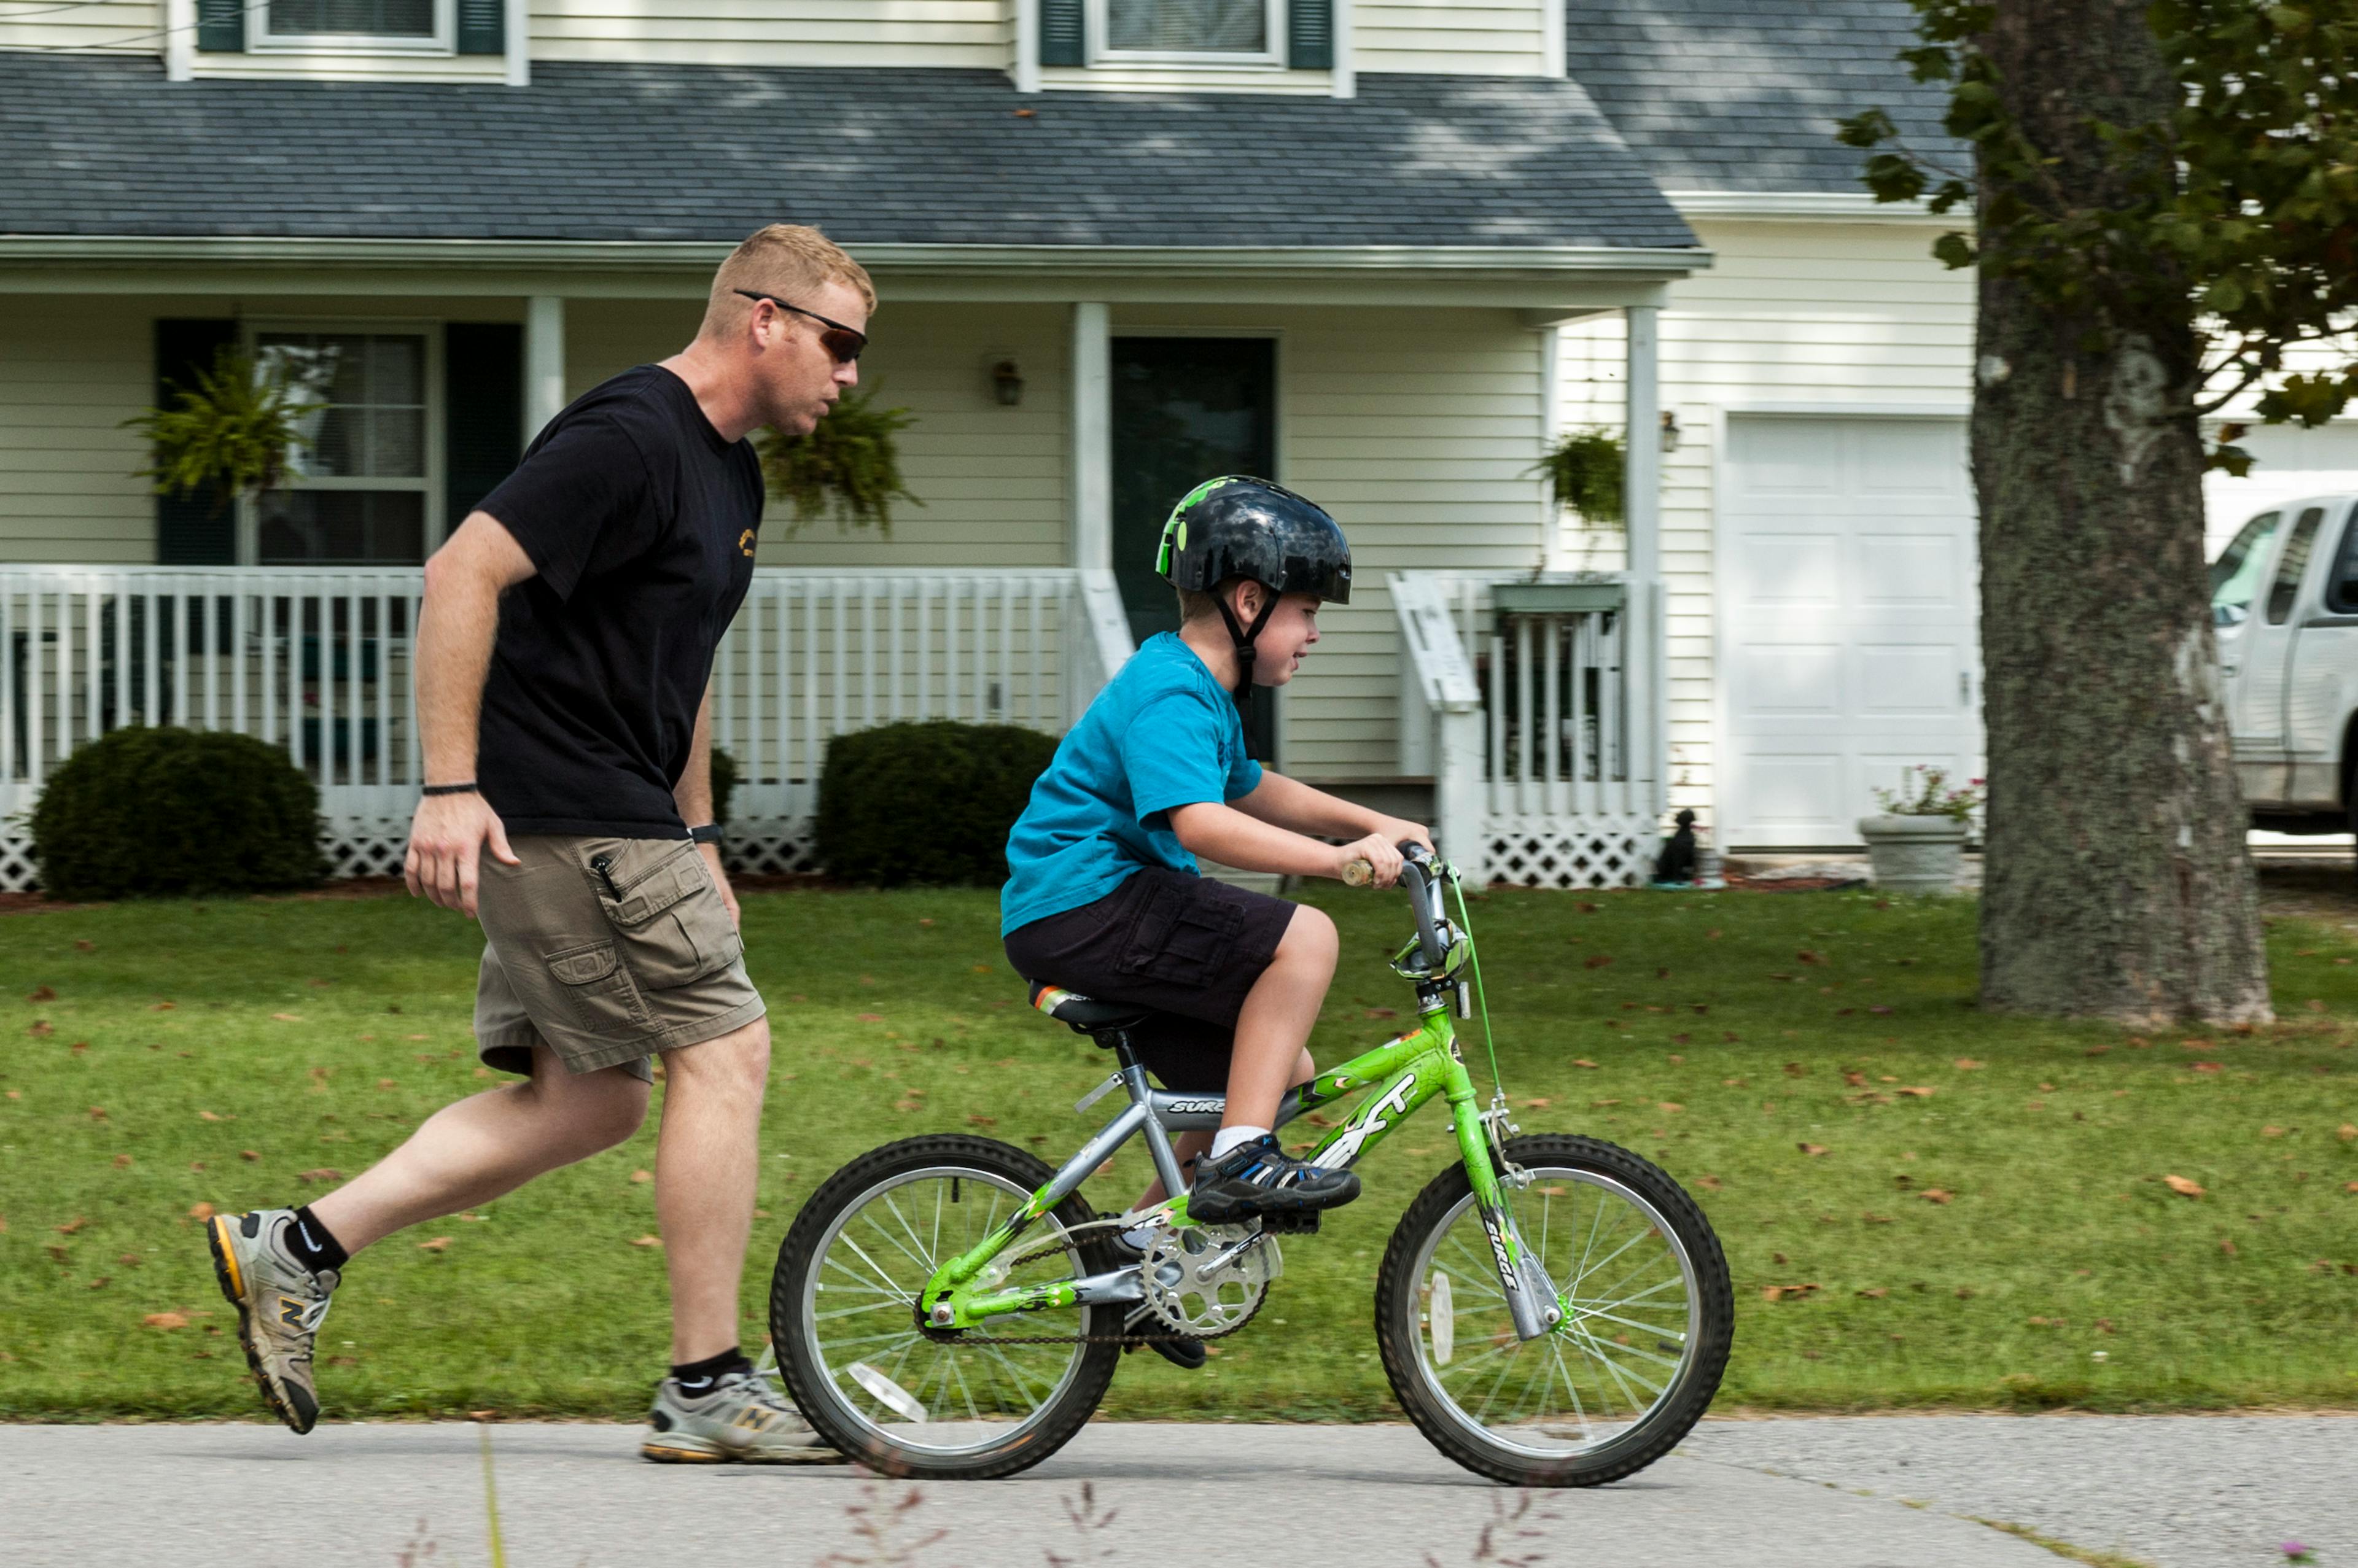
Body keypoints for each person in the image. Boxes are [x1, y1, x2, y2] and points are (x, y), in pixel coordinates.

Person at [204, 223, 870, 1465]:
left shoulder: (728, 472)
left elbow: (684, 662)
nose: (847, 374)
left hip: (623, 811)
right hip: (568, 807)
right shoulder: (631, 435)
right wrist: (447, 785)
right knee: (728, 1052)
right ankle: (706, 1383)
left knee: (592, 1100)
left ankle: (291, 1248)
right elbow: (460, 570)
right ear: (765, 318)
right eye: (838, 344)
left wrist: (702, 826)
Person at [1001, 476, 1434, 1365]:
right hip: (1085, 898)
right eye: (1306, 611)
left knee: (1276, 1065)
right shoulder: (1170, 686)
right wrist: (1337, 860)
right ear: (1248, 600)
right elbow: (1199, 822)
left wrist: (1370, 821)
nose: (1314, 632)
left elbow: (1248, 785)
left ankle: (1145, 1255)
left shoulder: (1201, 688)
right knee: (1306, 933)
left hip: (1101, 905)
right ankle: (1238, 1159)